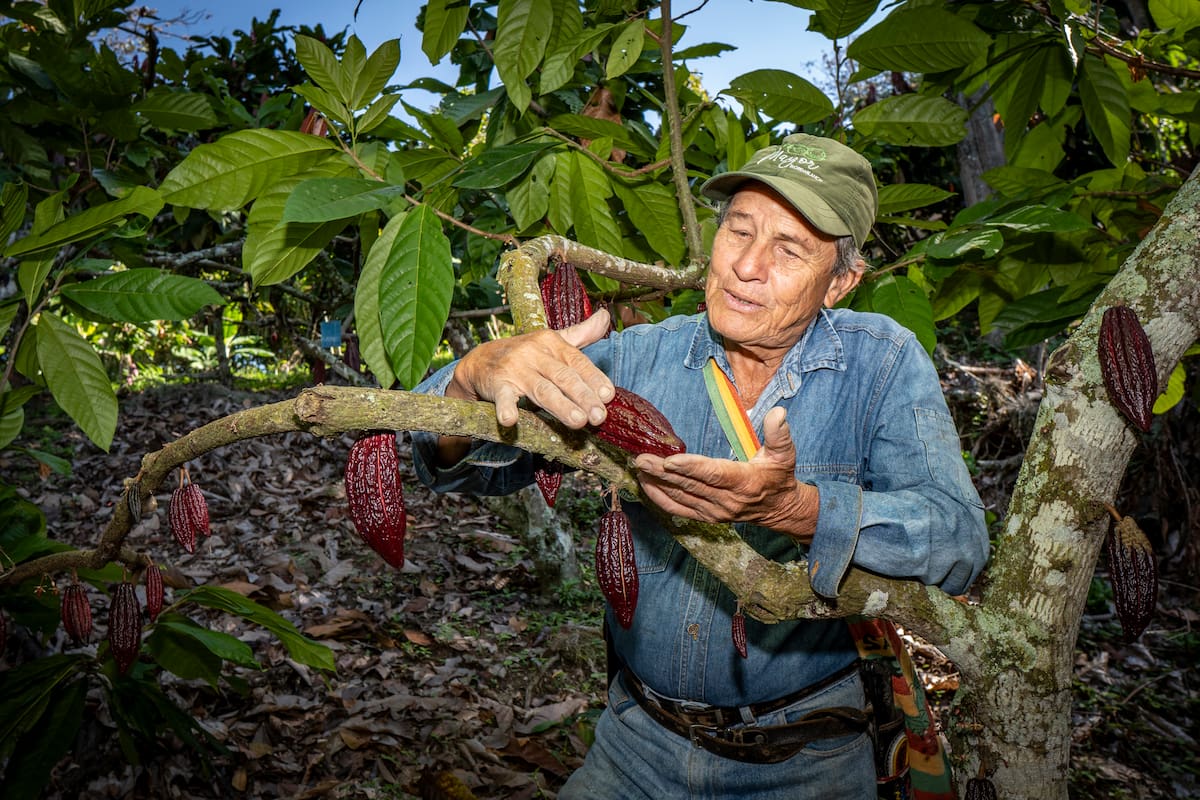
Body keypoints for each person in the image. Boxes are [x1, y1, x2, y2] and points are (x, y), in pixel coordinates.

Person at [409, 133, 990, 799]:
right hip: (638, 743)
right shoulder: (642, 359)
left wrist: (796, 510)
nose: (747, 265)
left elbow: (958, 541)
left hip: (808, 759)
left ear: (842, 282)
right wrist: (472, 376)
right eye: (737, 230)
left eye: (789, 249)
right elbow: (456, 461)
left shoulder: (881, 363)